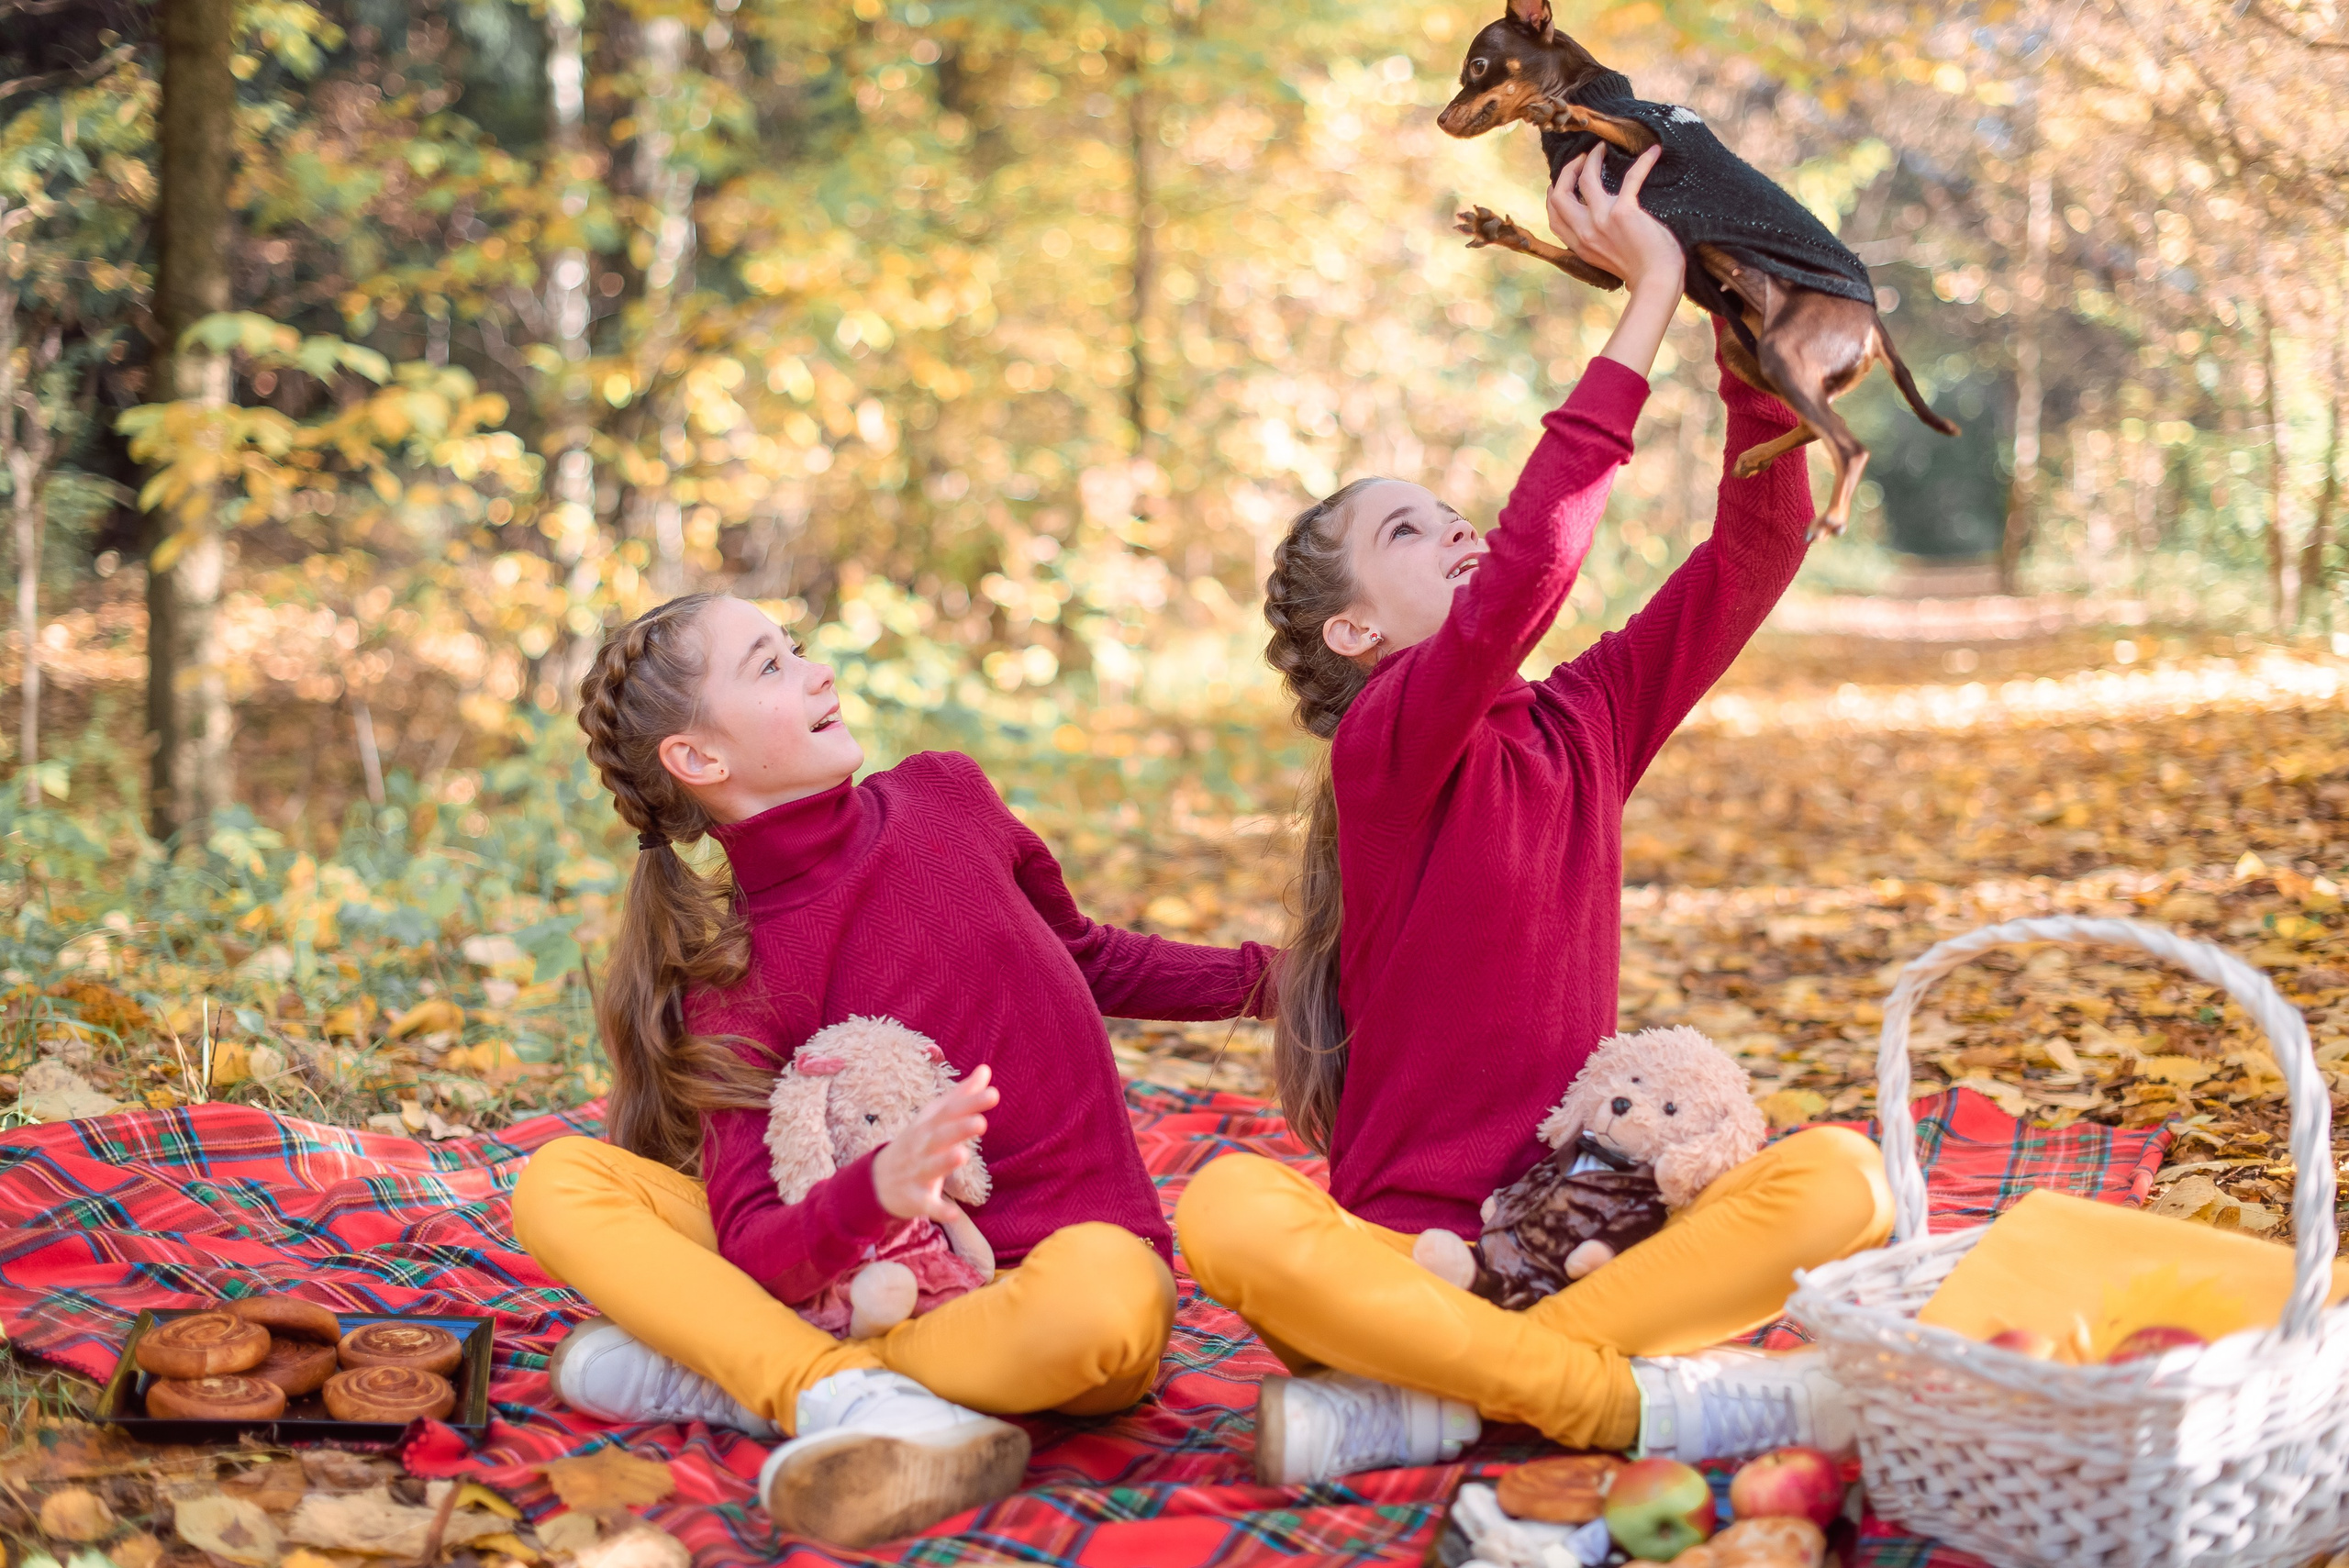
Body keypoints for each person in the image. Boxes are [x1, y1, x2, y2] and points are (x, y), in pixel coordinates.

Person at [1173, 146, 1893, 1485]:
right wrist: (1644, 296)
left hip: (1587, 1238)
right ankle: (1627, 1404)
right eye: (1407, 535)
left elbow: (1752, 556)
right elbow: (1528, 570)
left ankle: (1454, 1402)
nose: (1456, 533)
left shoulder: (1585, 722)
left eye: (1452, 517)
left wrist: (1750, 355)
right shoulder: (1384, 748)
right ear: (1355, 632)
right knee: (1226, 1205)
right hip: (1402, 1267)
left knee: (1850, 1178)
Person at [510, 593, 1274, 1547]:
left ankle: (759, 1375)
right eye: (769, 665)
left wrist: (1280, 983)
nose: (817, 671)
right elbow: (757, 1245)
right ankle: (835, 1389)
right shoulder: (733, 981)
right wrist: (878, 1187)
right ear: (698, 760)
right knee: (561, 1178)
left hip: (1044, 1298)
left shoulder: (947, 793)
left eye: (796, 647)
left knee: (1110, 1291)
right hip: (871, 1286)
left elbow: (1084, 953)